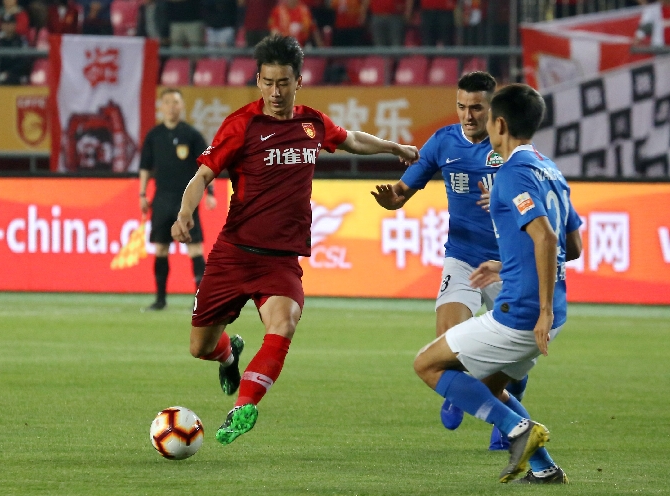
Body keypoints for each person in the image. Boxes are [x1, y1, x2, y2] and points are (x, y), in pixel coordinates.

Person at [170, 34, 419, 445]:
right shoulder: (242, 124)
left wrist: (394, 147)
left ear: (298, 82)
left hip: (281, 260)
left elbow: (352, 139)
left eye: (283, 83)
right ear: (258, 81)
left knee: (284, 323)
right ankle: (229, 355)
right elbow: (202, 176)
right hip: (234, 254)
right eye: (268, 82)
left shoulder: (312, 124)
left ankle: (243, 406)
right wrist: (184, 215)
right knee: (200, 347)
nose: (275, 92)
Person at [413, 83, 583, 484]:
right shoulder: (549, 169)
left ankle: (518, 430)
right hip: (553, 313)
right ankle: (544, 469)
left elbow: (547, 239)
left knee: (427, 364)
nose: (482, 124)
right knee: (487, 389)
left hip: (524, 314)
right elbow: (573, 247)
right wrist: (506, 265)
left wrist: (540, 309)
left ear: (500, 124)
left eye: (487, 117)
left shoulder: (509, 175)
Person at [371, 70, 526, 451]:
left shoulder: (512, 148)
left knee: (509, 357)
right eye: (461, 106)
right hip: (463, 258)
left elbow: (534, 201)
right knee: (449, 342)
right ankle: (496, 412)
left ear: (493, 109)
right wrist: (393, 200)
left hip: (508, 264)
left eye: (477, 108)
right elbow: (403, 190)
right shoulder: (443, 142)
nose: (468, 115)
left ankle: (504, 408)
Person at [139, 88, 217, 311]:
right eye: (167, 102)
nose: (171, 107)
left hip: (186, 202)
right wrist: (142, 194)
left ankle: (200, 301)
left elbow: (207, 165)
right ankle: (160, 299)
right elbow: (145, 167)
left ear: (182, 106)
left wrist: (210, 193)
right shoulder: (154, 136)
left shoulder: (191, 135)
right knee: (161, 249)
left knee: (195, 249)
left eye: (175, 102)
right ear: (161, 106)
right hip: (162, 199)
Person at [0, 14, 30, 85]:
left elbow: (25, 61)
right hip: (0, 72)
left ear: (15, 25)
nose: (7, 26)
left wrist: (9, 73)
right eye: (4, 24)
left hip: (16, 74)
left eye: (9, 24)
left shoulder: (21, 40)